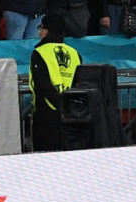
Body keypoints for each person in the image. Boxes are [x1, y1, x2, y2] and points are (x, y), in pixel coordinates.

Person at [28, 14, 81, 152]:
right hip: (72, 113)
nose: (39, 32)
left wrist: (59, 104)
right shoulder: (74, 53)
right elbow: (80, 82)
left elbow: (43, 84)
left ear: (47, 31)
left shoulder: (40, 52)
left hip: (46, 114)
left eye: (41, 28)